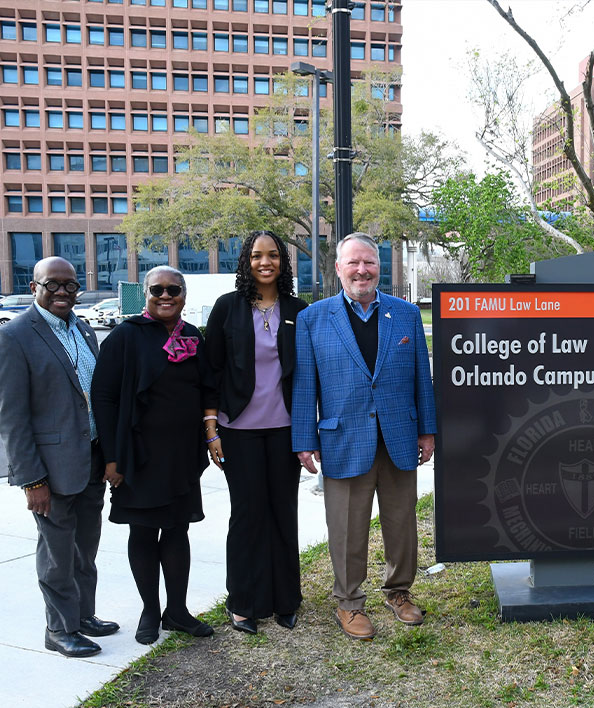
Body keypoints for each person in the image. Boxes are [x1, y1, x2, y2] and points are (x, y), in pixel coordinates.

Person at [292, 232, 436, 641]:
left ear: (379, 267)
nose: (361, 270)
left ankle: (399, 591)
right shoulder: (313, 318)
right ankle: (350, 602)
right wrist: (304, 439)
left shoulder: (405, 314)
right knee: (346, 528)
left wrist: (427, 430)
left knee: (402, 524)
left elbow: (421, 380)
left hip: (398, 438)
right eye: (353, 262)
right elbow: (305, 385)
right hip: (343, 439)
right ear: (338, 268)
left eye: (369, 262)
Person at [0, 258, 120, 657]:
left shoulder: (83, 329)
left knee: (85, 548)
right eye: (53, 285)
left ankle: (83, 616)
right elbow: (12, 417)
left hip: (89, 460)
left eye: (71, 286)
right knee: (56, 554)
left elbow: (95, 396)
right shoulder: (15, 336)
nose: (63, 292)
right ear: (34, 286)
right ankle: (58, 630)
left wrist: (108, 456)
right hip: (49, 470)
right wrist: (31, 479)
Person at [92, 266, 217, 645]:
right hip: (137, 454)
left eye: (173, 290)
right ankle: (150, 608)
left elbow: (207, 388)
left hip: (181, 454)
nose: (166, 296)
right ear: (145, 294)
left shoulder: (193, 336)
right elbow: (104, 396)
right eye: (157, 289)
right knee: (144, 531)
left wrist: (210, 435)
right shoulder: (125, 336)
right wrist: (112, 458)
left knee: (178, 529)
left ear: (184, 295)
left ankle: (176, 611)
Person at [203, 231, 308, 634]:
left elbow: (307, 375)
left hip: (285, 431)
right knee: (247, 516)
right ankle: (243, 602)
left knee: (283, 513)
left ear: (283, 262)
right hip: (238, 430)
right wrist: (211, 429)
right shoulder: (227, 309)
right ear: (246, 261)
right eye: (257, 255)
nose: (266, 262)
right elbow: (211, 371)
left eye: (274, 255)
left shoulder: (298, 310)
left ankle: (285, 599)